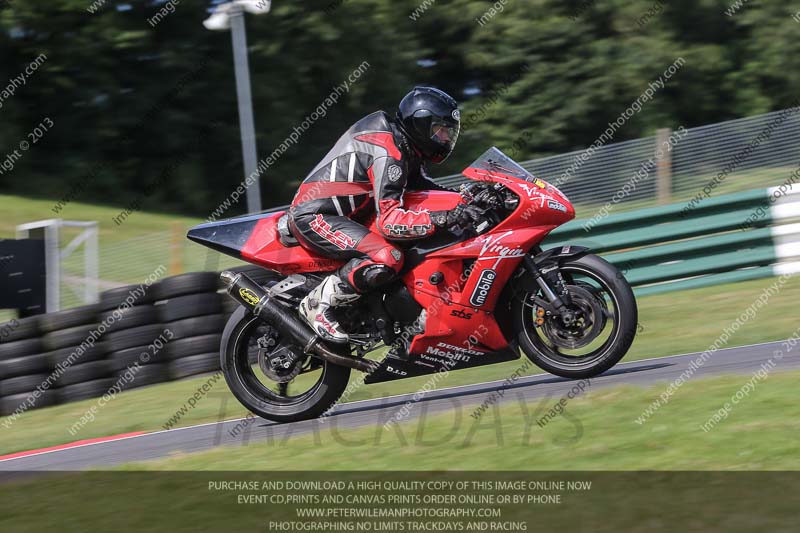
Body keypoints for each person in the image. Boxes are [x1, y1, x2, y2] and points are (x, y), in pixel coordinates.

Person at [288, 86, 481, 343]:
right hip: (315, 216)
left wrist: (468, 198)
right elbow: (390, 222)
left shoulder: (405, 146)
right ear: (420, 124)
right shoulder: (390, 151)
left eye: (448, 131)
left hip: (352, 216)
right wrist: (444, 218)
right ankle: (316, 305)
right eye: (440, 129)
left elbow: (426, 188)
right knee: (387, 256)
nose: (445, 138)